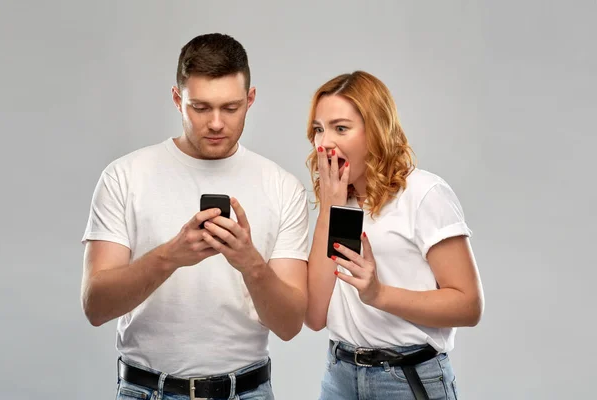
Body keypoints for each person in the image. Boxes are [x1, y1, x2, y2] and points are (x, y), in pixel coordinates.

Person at [80, 33, 309, 400]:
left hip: (246, 392)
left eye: (230, 108)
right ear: (177, 99)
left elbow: (290, 325)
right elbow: (95, 305)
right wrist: (170, 256)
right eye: (200, 108)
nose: (216, 123)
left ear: (250, 100)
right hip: (147, 390)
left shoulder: (283, 187)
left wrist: (251, 264)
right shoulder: (125, 176)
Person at [304, 70, 484, 400]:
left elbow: (469, 305)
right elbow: (314, 315)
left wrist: (379, 294)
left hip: (407, 379)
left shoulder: (424, 194)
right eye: (318, 129)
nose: (323, 143)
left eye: (340, 128)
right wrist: (330, 209)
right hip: (340, 377)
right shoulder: (340, 202)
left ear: (375, 131)